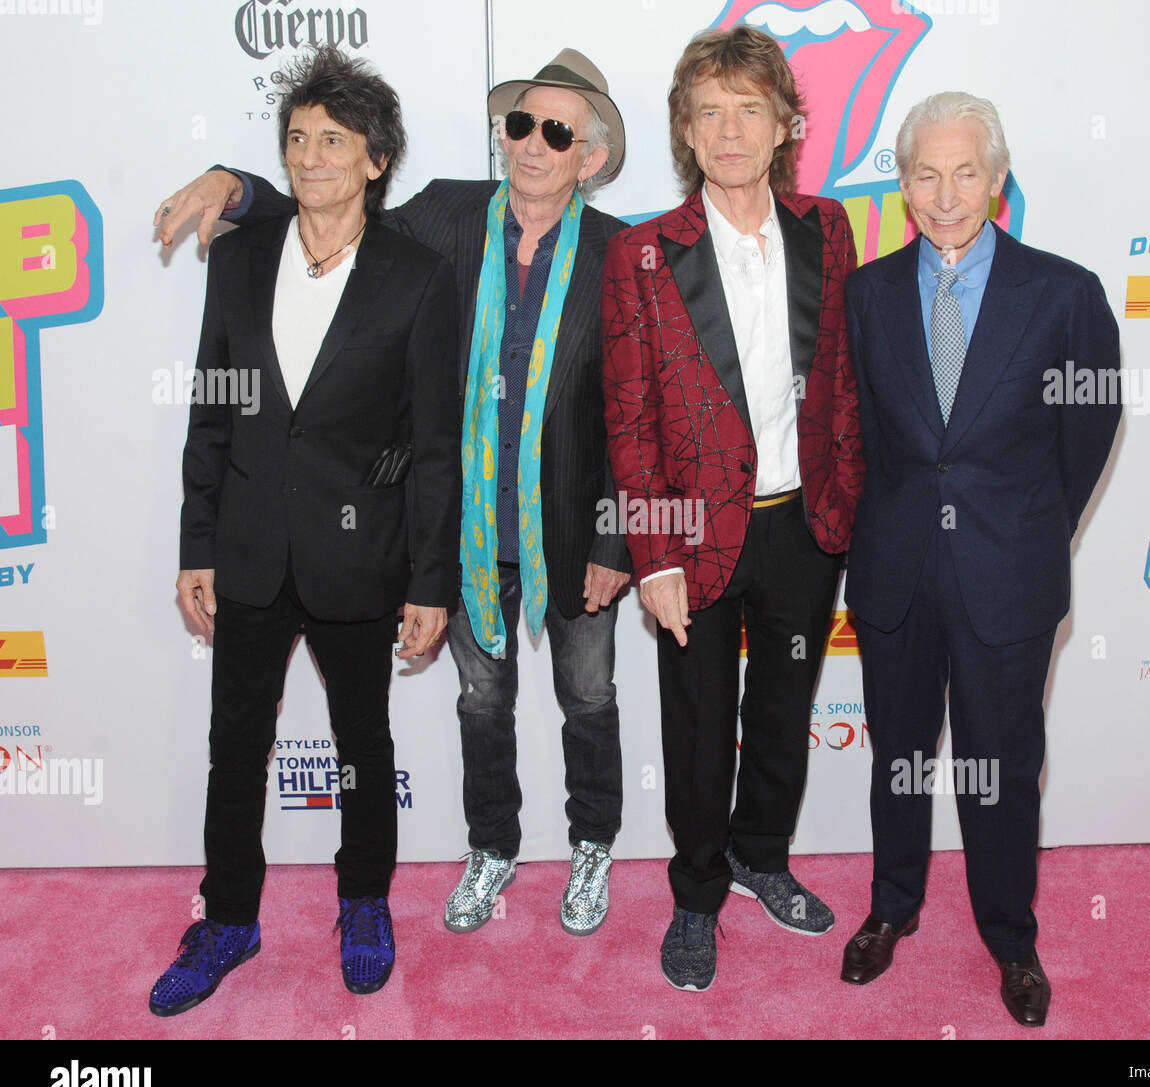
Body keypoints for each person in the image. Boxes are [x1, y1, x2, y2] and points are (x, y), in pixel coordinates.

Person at [156, 49, 631, 937]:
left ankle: (592, 845)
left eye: (556, 131)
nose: (530, 143)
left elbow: (633, 411)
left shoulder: (623, 253)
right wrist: (235, 185)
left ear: (592, 156)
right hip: (465, 526)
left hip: (571, 523)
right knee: (481, 702)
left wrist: (616, 537)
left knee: (590, 697)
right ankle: (492, 849)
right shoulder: (448, 213)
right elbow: (333, 202)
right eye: (519, 123)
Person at [148, 47, 461, 1015]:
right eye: (297, 139)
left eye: (334, 140)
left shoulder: (419, 274)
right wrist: (196, 541)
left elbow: (435, 443)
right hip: (244, 548)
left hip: (360, 556)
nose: (311, 156)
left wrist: (429, 578)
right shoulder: (239, 257)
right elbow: (213, 409)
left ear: (376, 159)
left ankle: (362, 900)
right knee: (234, 741)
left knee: (362, 740)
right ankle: (228, 917)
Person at [838, 92, 1121, 1026]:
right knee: (900, 762)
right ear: (903, 183)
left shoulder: (1066, 291)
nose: (946, 193)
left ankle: (1011, 939)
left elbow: (1089, 425)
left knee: (1001, 765)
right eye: (926, 172)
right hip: (896, 573)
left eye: (966, 172)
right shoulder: (867, 292)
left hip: (1010, 573)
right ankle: (892, 907)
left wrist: (1034, 527)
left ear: (998, 181)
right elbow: (869, 437)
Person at [602, 25, 864, 991]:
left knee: (787, 706)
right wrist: (655, 555)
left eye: (748, 109)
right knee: (700, 724)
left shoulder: (826, 229)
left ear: (784, 123)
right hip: (694, 537)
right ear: (684, 131)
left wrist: (848, 507)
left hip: (806, 524)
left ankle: (762, 856)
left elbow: (841, 377)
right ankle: (698, 893)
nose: (728, 130)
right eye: (707, 111)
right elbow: (627, 417)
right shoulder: (640, 254)